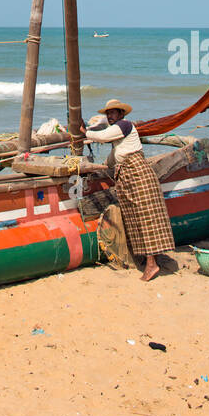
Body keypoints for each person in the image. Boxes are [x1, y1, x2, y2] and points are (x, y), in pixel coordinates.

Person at [81, 98, 174, 282]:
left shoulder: (124, 125)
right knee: (136, 217)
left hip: (137, 174)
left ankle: (151, 264)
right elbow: (113, 157)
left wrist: (84, 133)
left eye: (113, 112)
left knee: (145, 217)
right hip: (129, 175)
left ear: (121, 114)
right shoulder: (119, 136)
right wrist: (99, 167)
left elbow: (103, 136)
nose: (110, 115)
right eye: (108, 113)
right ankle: (149, 261)